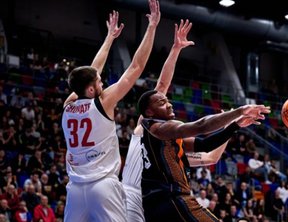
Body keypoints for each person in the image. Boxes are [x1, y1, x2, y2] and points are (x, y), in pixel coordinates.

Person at [121, 19, 233, 221]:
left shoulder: (173, 157)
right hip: (133, 194)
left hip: (156, 200)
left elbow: (210, 157)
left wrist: (229, 128)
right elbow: (162, 86)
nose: (169, 105)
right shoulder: (147, 126)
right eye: (163, 103)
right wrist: (175, 49)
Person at [61, 2, 160, 221]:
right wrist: (152, 27)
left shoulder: (69, 103)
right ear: (90, 89)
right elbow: (136, 67)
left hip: (76, 189)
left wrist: (109, 39)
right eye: (99, 82)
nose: (102, 82)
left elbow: (92, 72)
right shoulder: (103, 102)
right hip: (103, 186)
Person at [137, 86, 270, 221]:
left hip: (155, 205)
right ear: (149, 112)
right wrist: (240, 111)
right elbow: (201, 126)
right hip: (171, 198)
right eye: (161, 103)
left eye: (167, 100)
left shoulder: (160, 138)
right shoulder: (159, 128)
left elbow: (205, 145)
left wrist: (234, 126)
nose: (169, 105)